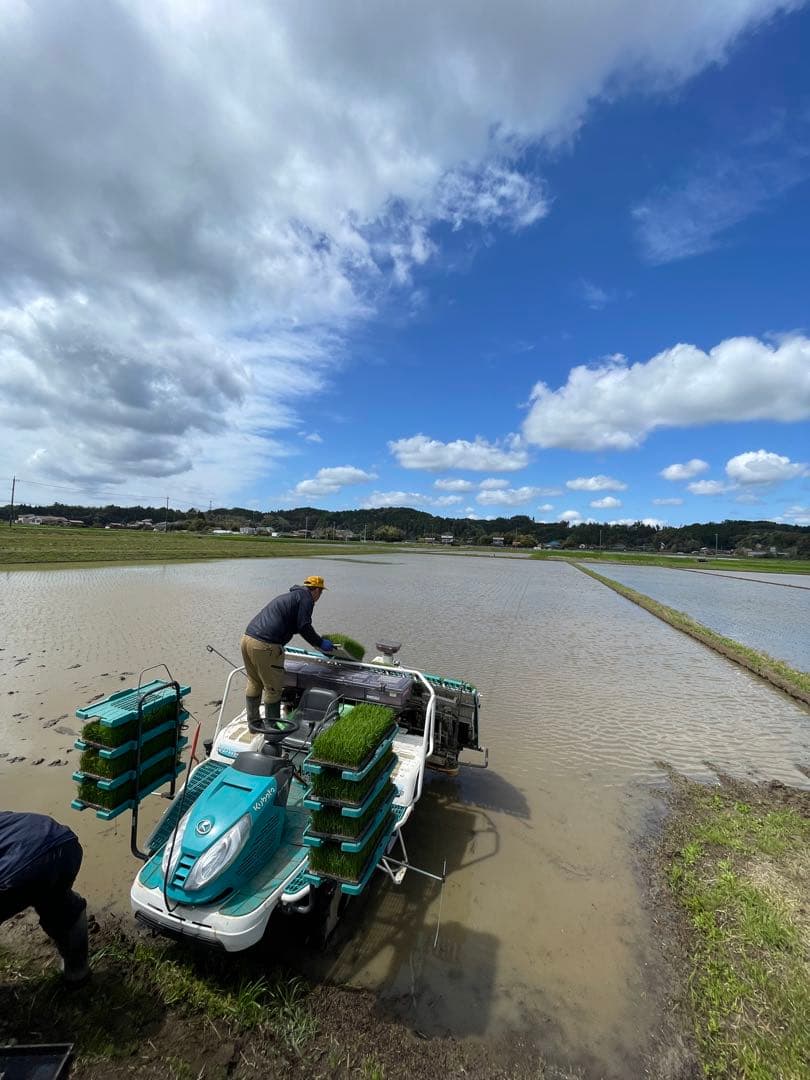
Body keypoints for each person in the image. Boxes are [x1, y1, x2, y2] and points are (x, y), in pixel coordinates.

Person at [0, 810, 89, 985]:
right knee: (60, 905)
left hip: (20, 869)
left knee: (40, 887)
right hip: (62, 840)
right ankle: (78, 974)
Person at [240, 575, 334, 727]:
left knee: (254, 682)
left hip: (247, 638)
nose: (319, 596)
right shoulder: (306, 599)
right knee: (273, 689)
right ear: (316, 590)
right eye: (321, 592)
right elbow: (304, 626)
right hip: (266, 644)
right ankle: (272, 730)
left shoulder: (292, 596)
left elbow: (296, 625)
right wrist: (320, 643)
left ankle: (254, 725)